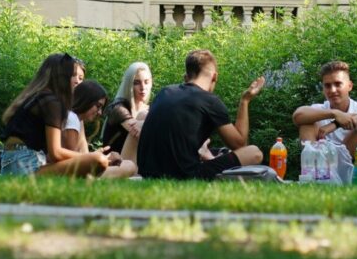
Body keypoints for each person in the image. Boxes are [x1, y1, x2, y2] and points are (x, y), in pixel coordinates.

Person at [136, 49, 265, 180]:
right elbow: (240, 144)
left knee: (216, 152)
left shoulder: (164, 92)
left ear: (186, 77)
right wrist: (245, 100)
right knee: (254, 152)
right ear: (214, 77)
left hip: (148, 173)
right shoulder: (210, 101)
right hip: (184, 175)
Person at [0, 52, 114, 178]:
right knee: (98, 161)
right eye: (71, 75)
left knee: (95, 161)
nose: (77, 82)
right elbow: (55, 153)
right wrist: (90, 156)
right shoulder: (51, 101)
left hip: (15, 161)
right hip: (25, 166)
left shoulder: (36, 97)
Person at [292, 60, 357, 174]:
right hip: (322, 165)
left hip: (353, 163)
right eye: (327, 86)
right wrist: (335, 114)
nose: (333, 90)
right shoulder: (320, 109)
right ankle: (313, 175)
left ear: (349, 86)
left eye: (338, 84)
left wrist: (334, 124)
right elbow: (298, 116)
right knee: (306, 123)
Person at [63, 79, 136, 178]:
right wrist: (100, 158)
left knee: (128, 164)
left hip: (76, 169)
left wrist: (102, 158)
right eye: (98, 106)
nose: (100, 113)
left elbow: (81, 156)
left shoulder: (77, 120)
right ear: (86, 101)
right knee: (129, 166)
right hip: (71, 172)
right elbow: (71, 160)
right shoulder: (72, 118)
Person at [102, 61, 152, 164]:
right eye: (136, 83)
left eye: (146, 82)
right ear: (129, 84)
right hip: (115, 163)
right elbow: (136, 129)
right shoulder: (118, 107)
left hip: (137, 161)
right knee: (143, 116)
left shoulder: (149, 109)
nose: (143, 87)